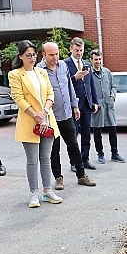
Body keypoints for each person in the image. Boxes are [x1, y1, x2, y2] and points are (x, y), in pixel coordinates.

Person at [9, 40, 62, 208]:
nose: (32, 58)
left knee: (45, 158)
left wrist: (44, 112)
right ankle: (34, 193)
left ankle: (47, 191)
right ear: (21, 57)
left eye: (33, 54)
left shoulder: (42, 72)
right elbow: (19, 98)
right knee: (32, 160)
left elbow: (50, 93)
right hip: (29, 120)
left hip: (47, 118)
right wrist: (36, 115)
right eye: (28, 55)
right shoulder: (15, 74)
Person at [36, 42, 96, 190]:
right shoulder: (39, 70)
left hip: (67, 114)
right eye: (51, 54)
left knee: (73, 146)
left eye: (57, 54)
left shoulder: (63, 65)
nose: (55, 57)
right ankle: (58, 178)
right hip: (51, 117)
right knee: (54, 150)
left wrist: (75, 105)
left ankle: (81, 175)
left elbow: (69, 85)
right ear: (43, 55)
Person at [65, 37, 99, 170]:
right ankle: (74, 162)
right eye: (76, 50)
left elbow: (91, 84)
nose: (79, 53)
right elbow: (64, 84)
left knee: (86, 134)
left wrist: (95, 101)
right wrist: (75, 78)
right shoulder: (65, 64)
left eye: (81, 50)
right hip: (74, 106)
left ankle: (85, 159)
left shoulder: (87, 64)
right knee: (73, 136)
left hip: (87, 105)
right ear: (71, 49)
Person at [89, 49, 125, 164]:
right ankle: (100, 154)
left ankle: (115, 153)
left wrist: (112, 97)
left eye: (99, 59)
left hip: (109, 105)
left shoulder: (107, 72)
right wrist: (93, 103)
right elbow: (87, 91)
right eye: (95, 59)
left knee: (113, 130)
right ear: (91, 60)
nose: (98, 61)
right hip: (97, 106)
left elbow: (114, 87)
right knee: (97, 131)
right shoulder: (89, 74)